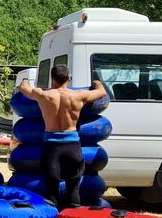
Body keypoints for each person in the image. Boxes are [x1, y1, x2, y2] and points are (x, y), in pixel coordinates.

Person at [17, 66, 107, 208]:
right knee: (73, 188)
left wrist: (26, 80)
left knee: (51, 188)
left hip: (51, 148)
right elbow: (101, 92)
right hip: (72, 146)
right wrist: (96, 82)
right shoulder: (78, 95)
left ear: (52, 79)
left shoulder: (43, 95)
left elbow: (23, 88)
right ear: (68, 78)